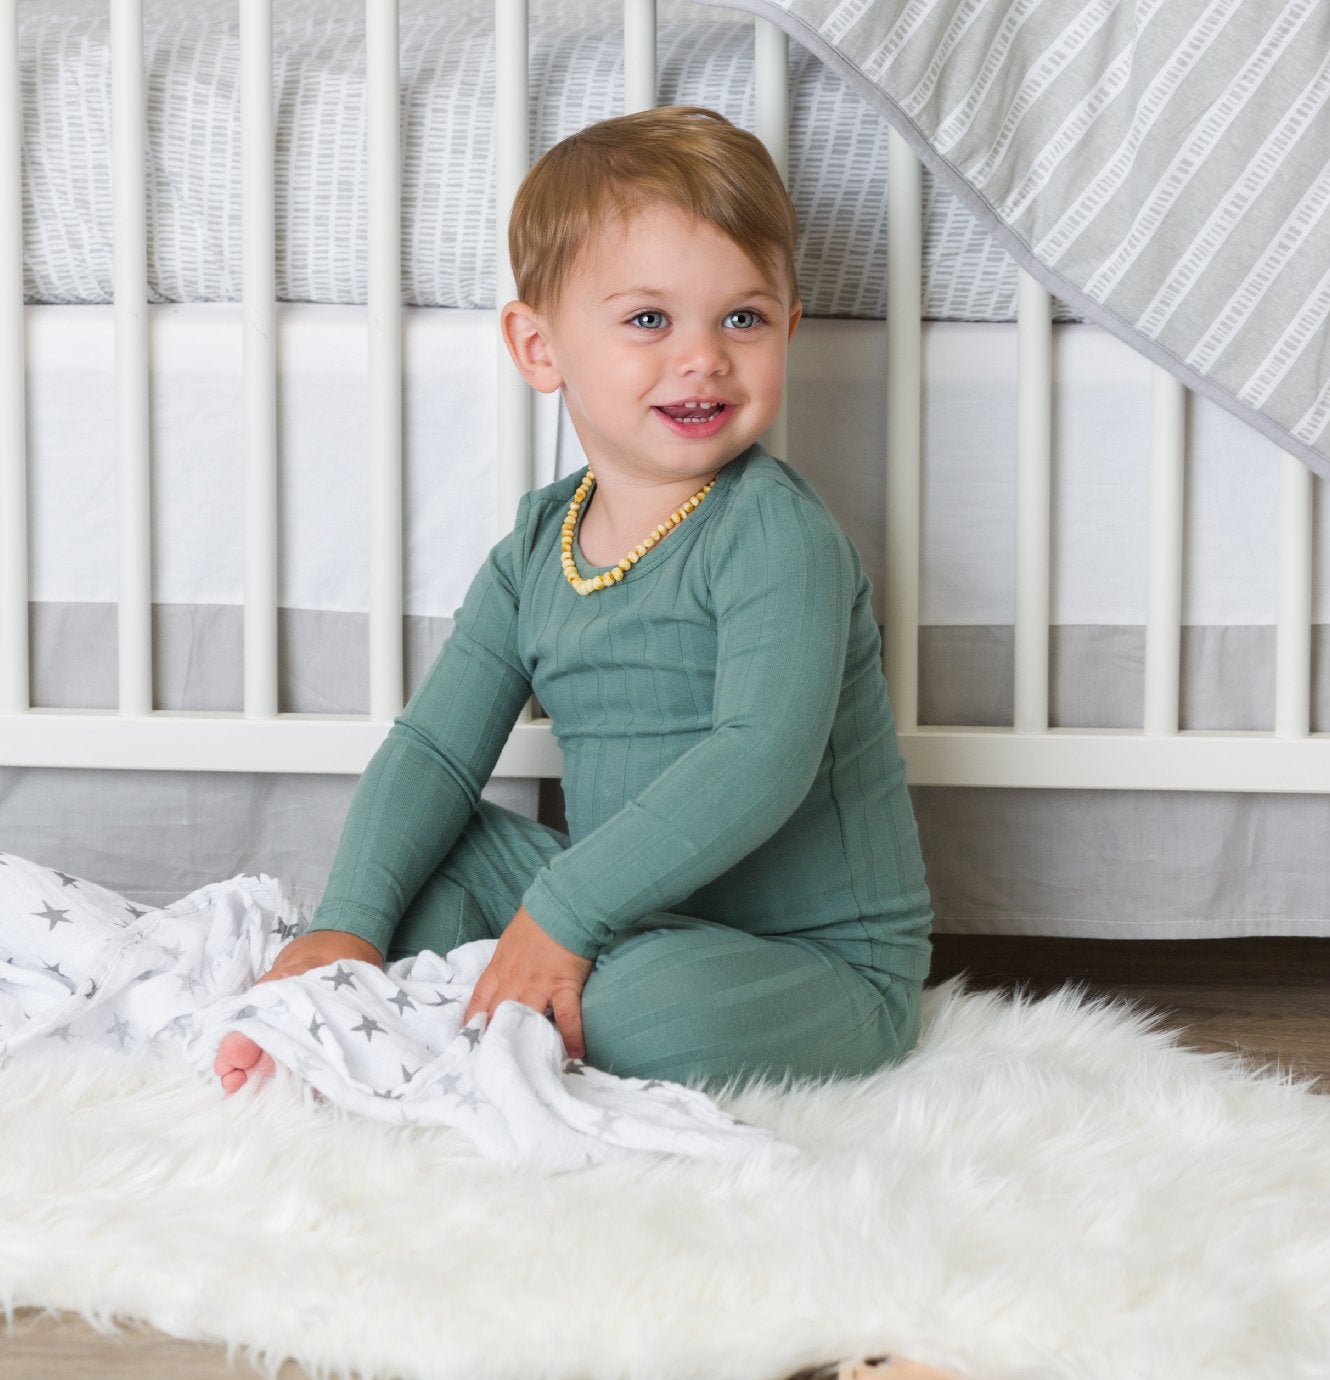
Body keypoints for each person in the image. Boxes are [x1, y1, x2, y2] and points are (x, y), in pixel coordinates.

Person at [216, 103, 934, 1097]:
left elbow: (761, 755)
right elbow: (434, 749)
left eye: (744, 317)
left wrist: (561, 914)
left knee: (640, 1012)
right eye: (649, 319)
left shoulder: (777, 534)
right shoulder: (539, 544)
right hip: (625, 912)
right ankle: (394, 990)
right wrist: (349, 925)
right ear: (539, 346)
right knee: (424, 859)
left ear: (788, 327)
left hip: (809, 964)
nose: (704, 355)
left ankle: (513, 998)